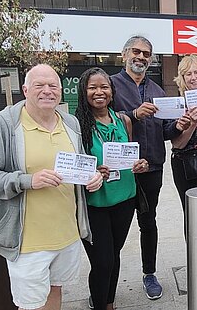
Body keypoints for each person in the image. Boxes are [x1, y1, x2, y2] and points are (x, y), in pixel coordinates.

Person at [0, 64, 103, 310]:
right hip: (27, 241)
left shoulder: (70, 123)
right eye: (39, 85)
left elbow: (80, 165)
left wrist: (92, 177)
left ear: (61, 91)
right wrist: (27, 180)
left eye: (53, 86)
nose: (47, 91)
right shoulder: (4, 125)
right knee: (31, 305)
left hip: (66, 234)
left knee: (55, 291)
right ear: (25, 89)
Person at [111, 35, 191, 300]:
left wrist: (178, 125)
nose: (141, 57)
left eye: (147, 54)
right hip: (120, 169)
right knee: (115, 226)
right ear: (124, 54)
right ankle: (107, 281)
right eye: (136, 51)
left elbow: (165, 131)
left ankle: (149, 273)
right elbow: (101, 120)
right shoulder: (110, 86)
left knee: (148, 222)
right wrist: (133, 115)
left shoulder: (158, 91)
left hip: (152, 167)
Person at [75, 67, 149, 310]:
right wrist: (92, 171)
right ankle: (99, 303)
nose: (99, 92)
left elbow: (131, 155)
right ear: (83, 91)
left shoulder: (123, 120)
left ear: (112, 90)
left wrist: (140, 164)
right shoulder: (77, 126)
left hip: (125, 199)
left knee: (114, 255)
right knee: (103, 261)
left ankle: (109, 301)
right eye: (93, 87)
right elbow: (72, 165)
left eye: (104, 87)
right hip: (95, 203)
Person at [171, 54, 197, 227]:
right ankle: (195, 252)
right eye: (188, 74)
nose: (194, 77)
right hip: (186, 166)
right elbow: (177, 144)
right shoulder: (178, 105)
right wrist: (192, 124)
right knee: (192, 214)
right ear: (182, 79)